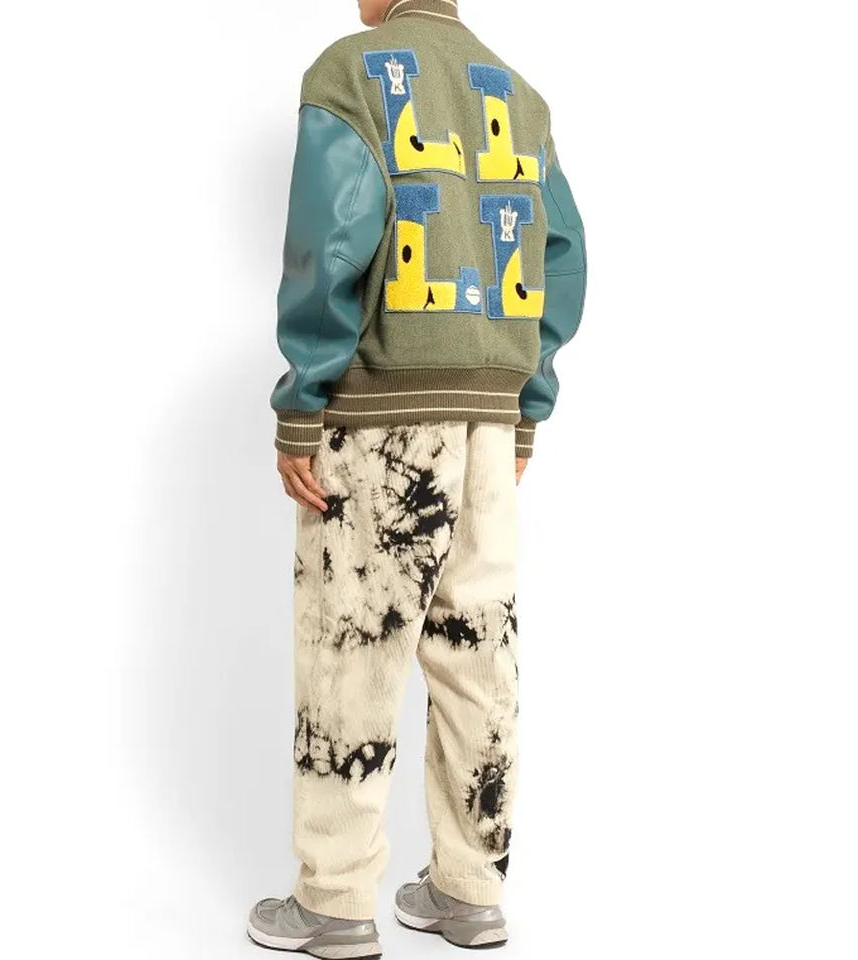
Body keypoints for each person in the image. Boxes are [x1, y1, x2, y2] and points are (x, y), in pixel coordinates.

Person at [249, 0, 586, 953]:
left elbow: (330, 243)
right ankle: (469, 891)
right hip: (488, 421)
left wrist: (303, 402)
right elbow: (561, 262)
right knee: (478, 655)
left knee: (351, 653)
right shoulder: (521, 98)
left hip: (381, 422)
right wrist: (528, 403)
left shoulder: (352, 72)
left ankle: (334, 901)